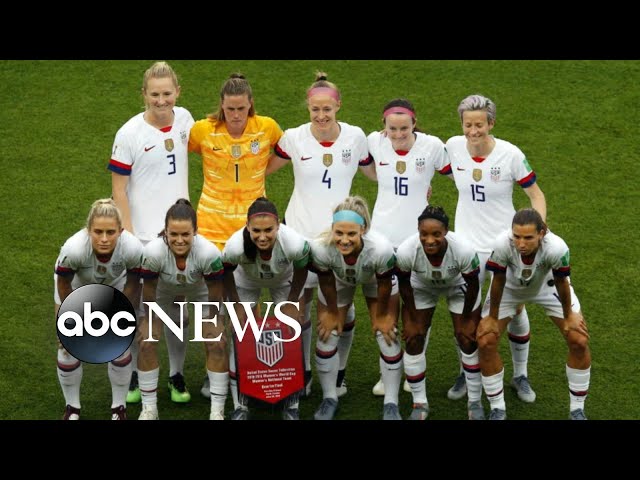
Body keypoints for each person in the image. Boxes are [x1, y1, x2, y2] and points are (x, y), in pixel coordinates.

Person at [268, 72, 374, 398]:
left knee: (340, 308)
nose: (321, 115)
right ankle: (303, 372)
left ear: (338, 105)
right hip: (298, 235)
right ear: (308, 108)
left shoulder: (355, 137)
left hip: (339, 238)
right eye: (315, 109)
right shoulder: (293, 138)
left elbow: (375, 172)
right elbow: (262, 169)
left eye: (327, 109)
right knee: (298, 308)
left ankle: (339, 372)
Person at [444, 94, 546, 404]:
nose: (473, 131)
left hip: (505, 245)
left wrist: (537, 233)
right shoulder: (453, 147)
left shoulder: (510, 154)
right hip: (466, 246)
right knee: (467, 312)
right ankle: (467, 371)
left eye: (479, 125)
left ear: (491, 124)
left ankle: (520, 374)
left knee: (514, 308)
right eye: (468, 125)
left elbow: (536, 195)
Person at [189, 73, 283, 398]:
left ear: (250, 104)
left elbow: (287, 151)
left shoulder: (266, 127)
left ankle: (247, 370)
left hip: (251, 233)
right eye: (230, 109)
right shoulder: (203, 130)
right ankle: (213, 371)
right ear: (222, 105)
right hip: (210, 232)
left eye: (241, 108)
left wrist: (260, 172)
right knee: (212, 306)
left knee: (246, 303)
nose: (236, 115)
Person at [109, 61, 195, 404]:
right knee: (138, 309)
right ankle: (134, 373)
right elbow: (118, 191)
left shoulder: (185, 119)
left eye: (167, 94)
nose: (161, 101)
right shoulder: (128, 134)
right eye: (155, 94)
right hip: (143, 236)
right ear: (143, 94)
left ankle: (176, 374)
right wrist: (129, 238)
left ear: (177, 92)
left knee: (177, 308)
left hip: (179, 235)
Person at [367, 98, 451, 397]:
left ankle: (413, 368)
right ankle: (387, 372)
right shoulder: (374, 142)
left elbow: (458, 174)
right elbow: (367, 169)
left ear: (415, 124)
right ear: (384, 126)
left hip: (418, 241)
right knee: (386, 307)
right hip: (382, 238)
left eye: (404, 128)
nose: (399, 134)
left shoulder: (432, 146)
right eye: (392, 129)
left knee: (416, 309)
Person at [477, 208, 590, 420]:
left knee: (579, 340)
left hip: (548, 287)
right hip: (510, 289)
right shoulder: (502, 244)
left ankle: (577, 410)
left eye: (528, 238)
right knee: (485, 341)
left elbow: (561, 281)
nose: (521, 244)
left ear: (542, 233)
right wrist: (491, 318)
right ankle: (498, 408)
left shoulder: (556, 247)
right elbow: (498, 279)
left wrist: (569, 315)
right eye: (517, 236)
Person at [309, 196, 400, 420]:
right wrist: (332, 312)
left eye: (351, 234)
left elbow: (385, 283)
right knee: (327, 334)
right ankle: (330, 397)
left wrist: (381, 316)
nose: (344, 240)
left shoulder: (381, 249)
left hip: (375, 280)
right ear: (332, 228)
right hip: (339, 279)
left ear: (363, 229)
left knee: (386, 335)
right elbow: (326, 281)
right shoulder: (321, 248)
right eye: (339, 233)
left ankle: (391, 403)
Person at [54, 198, 143, 420]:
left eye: (110, 232)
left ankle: (119, 408)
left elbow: (134, 283)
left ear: (121, 231)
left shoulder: (132, 248)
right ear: (88, 230)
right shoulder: (74, 249)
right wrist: (70, 321)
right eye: (98, 232)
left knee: (120, 344)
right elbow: (63, 284)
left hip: (116, 286)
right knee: (67, 346)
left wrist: (121, 316)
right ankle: (72, 408)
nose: (104, 239)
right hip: (76, 287)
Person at [137, 199, 226, 420]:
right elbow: (149, 289)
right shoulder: (152, 252)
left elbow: (215, 291)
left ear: (195, 231)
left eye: (185, 234)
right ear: (165, 232)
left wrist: (213, 321)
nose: (179, 240)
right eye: (173, 234)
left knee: (217, 342)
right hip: (163, 290)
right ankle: (149, 410)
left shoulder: (209, 253)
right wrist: (149, 320)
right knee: (146, 341)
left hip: (200, 290)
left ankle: (217, 412)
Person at [222, 197, 310, 420]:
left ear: (278, 226)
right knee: (241, 332)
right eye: (256, 230)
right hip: (246, 281)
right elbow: (226, 273)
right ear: (247, 227)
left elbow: (302, 270)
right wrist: (237, 305)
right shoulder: (235, 246)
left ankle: (292, 404)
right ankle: (241, 405)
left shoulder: (294, 243)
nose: (262, 236)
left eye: (268, 230)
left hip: (283, 280)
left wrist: (291, 302)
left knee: (291, 331)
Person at [395, 206, 483, 420]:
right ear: (418, 230)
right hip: (422, 286)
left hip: (458, 286)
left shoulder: (463, 250)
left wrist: (467, 318)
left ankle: (475, 401)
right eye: (424, 233)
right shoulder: (406, 251)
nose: (429, 240)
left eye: (436, 234)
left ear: (446, 231)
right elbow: (404, 284)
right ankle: (419, 403)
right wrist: (413, 317)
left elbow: (473, 285)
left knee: (467, 337)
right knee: (413, 337)